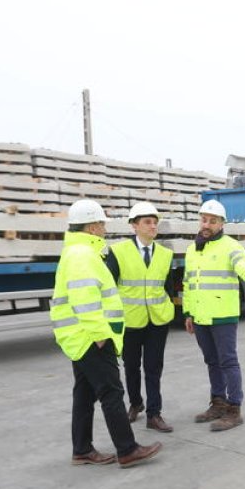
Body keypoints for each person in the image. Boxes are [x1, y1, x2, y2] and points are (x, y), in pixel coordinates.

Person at [51, 199, 162, 468]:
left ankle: (82, 449)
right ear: (91, 226)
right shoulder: (82, 255)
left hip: (80, 336)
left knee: (84, 394)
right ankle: (127, 449)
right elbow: (85, 298)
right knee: (111, 392)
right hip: (91, 337)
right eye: (101, 224)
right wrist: (101, 335)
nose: (104, 229)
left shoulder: (80, 251)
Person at [183, 199, 245, 431]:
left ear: (221, 224)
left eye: (212, 221)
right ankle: (218, 402)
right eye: (204, 219)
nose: (207, 224)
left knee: (228, 362)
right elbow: (188, 283)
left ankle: (234, 409)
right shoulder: (193, 249)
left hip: (223, 315)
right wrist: (188, 313)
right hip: (201, 316)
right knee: (211, 361)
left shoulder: (231, 246)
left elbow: (242, 265)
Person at [105, 201, 175, 433]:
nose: (152, 226)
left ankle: (154, 414)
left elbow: (169, 287)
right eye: (147, 222)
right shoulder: (117, 252)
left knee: (154, 367)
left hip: (158, 319)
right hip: (130, 320)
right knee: (131, 366)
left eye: (155, 222)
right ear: (134, 226)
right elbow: (109, 287)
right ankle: (136, 403)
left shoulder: (165, 254)